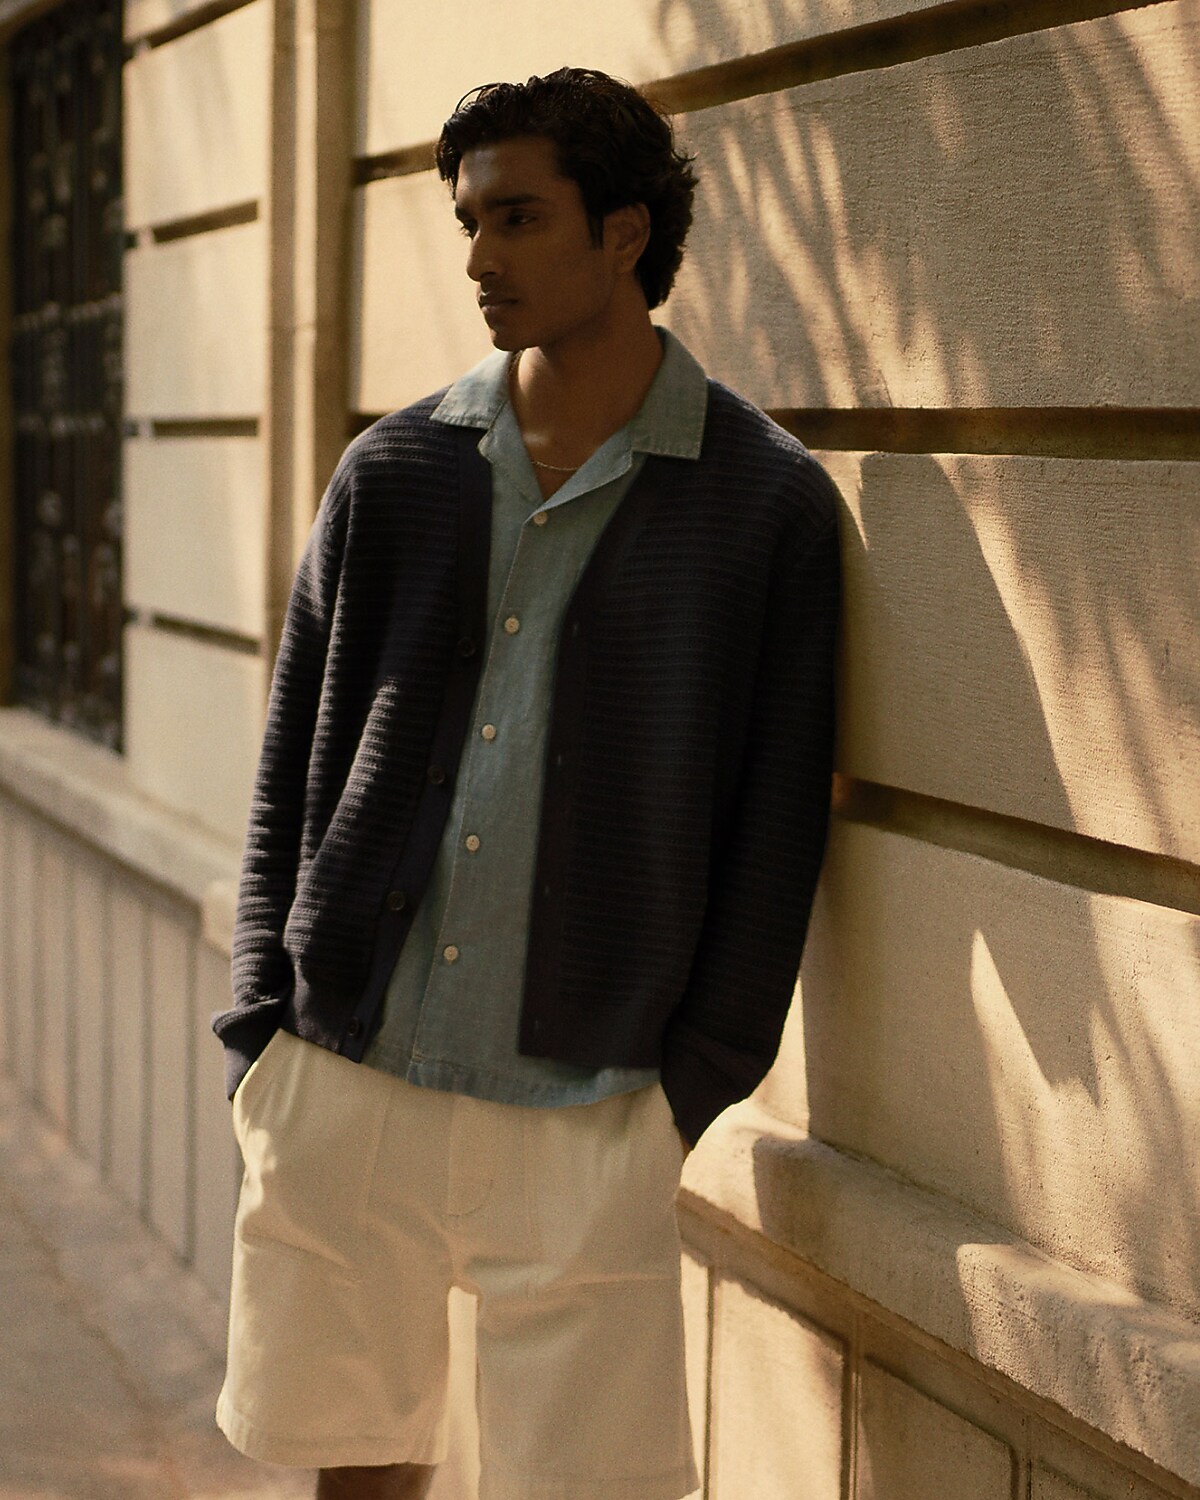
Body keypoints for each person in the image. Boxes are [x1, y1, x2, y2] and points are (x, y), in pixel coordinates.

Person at [212, 66, 840, 1500]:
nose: (482, 258)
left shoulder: (762, 506)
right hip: (350, 1075)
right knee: (351, 1468)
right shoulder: (394, 473)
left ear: (626, 235)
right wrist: (266, 1030)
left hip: (588, 1106)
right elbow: (289, 762)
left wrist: (690, 1090)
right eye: (469, 225)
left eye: (518, 219)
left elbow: (776, 827)